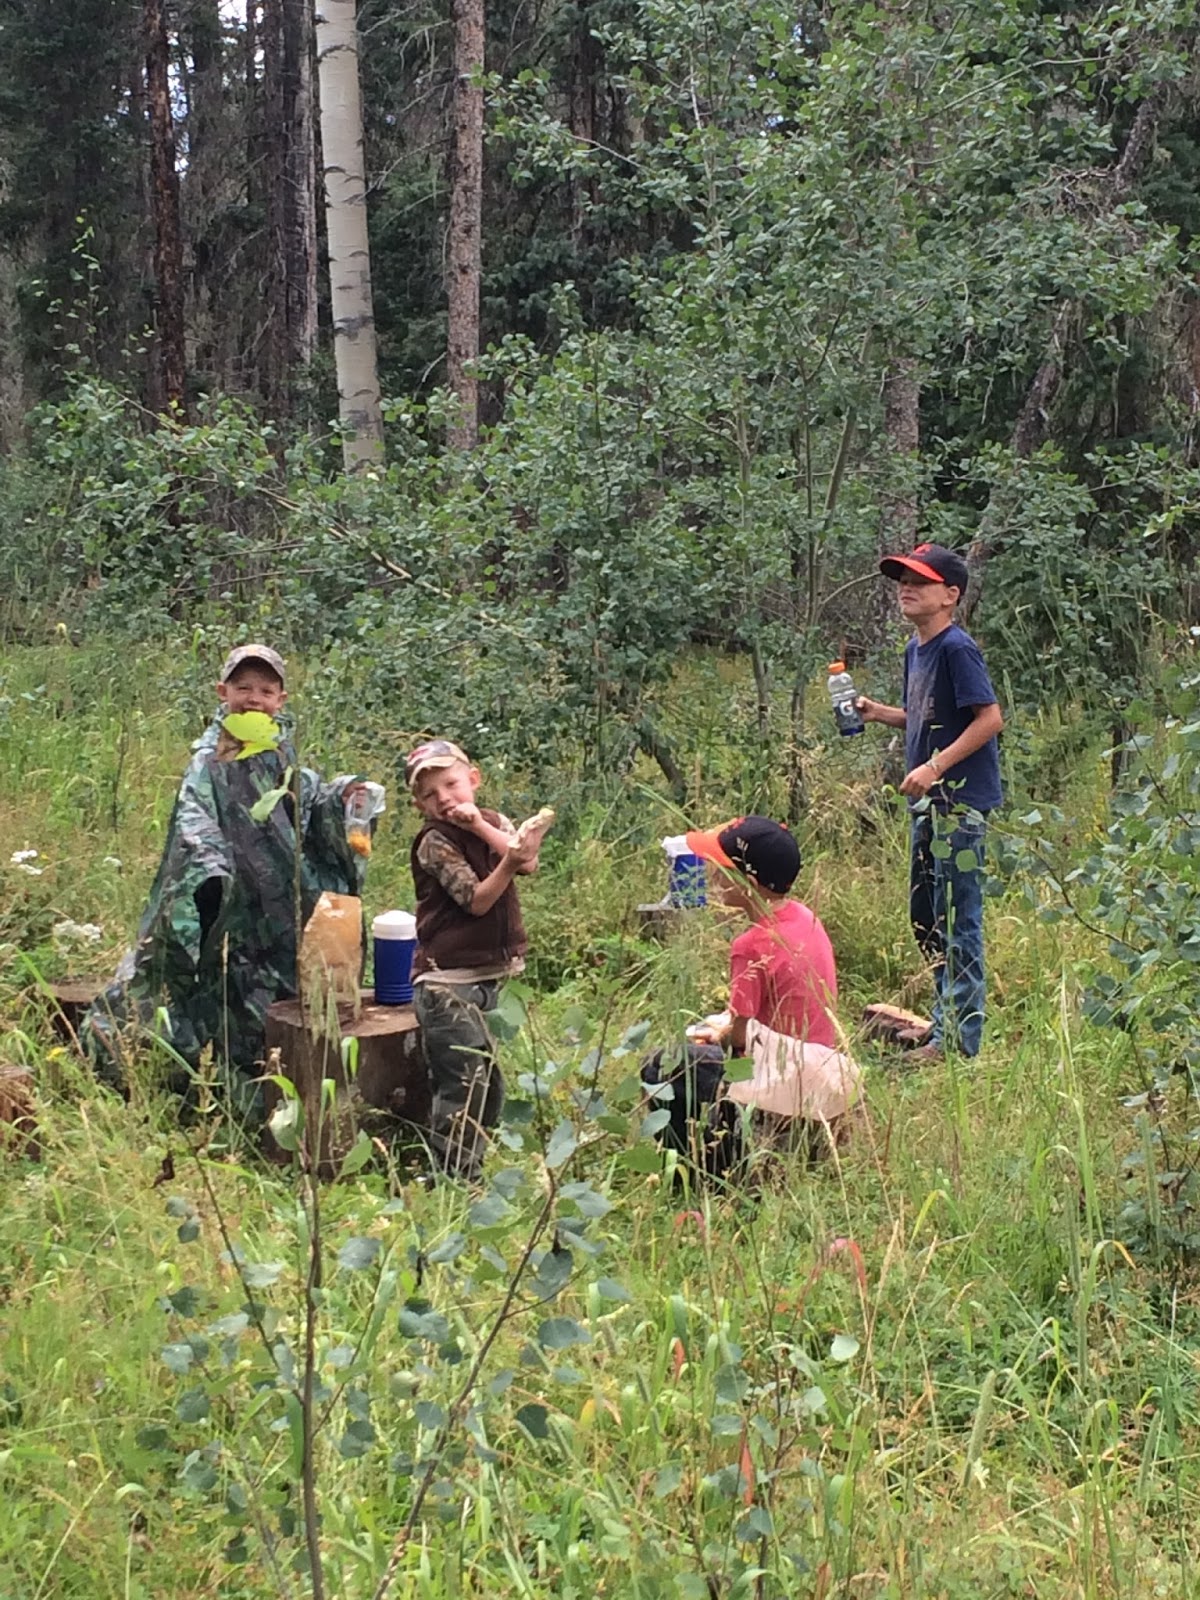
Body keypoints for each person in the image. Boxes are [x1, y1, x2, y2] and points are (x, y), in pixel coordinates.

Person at [83, 645, 375, 1114]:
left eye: (265, 690)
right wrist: (211, 871)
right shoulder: (210, 761)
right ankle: (217, 1096)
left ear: (281, 699)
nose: (253, 698)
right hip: (230, 906)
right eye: (243, 688)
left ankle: (286, 1092)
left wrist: (344, 796)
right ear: (223, 694)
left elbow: (306, 800)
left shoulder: (279, 751)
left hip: (280, 905)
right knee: (220, 997)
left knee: (283, 998)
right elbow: (193, 822)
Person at [856, 541, 1004, 1061]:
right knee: (926, 913)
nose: (907, 588)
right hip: (928, 803)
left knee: (957, 916)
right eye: (903, 579)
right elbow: (925, 716)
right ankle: (944, 1020)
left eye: (920, 580)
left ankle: (958, 1042)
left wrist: (935, 766)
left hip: (960, 803)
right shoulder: (916, 649)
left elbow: (989, 719)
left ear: (951, 594)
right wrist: (879, 712)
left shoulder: (957, 648)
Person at [406, 739, 547, 1181]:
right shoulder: (434, 841)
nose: (444, 798)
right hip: (447, 981)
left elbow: (528, 863)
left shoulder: (493, 822)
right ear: (419, 805)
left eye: (450, 784)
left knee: (489, 1082)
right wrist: (510, 859)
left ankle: (471, 1168)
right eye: (430, 794)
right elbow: (478, 901)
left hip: (491, 975)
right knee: (464, 1082)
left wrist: (491, 836)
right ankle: (452, 1176)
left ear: (474, 779)